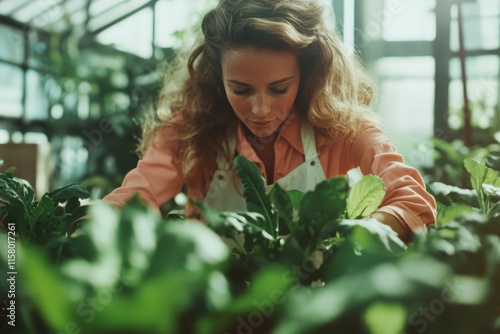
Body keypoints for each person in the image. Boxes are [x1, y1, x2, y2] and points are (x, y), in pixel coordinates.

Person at [102, 0, 436, 243]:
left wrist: (361, 236)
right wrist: (88, 227)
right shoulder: (190, 130)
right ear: (218, 77)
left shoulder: (343, 129)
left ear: (306, 74)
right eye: (241, 89)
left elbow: (413, 200)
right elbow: (136, 196)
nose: (260, 109)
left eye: (279, 89)